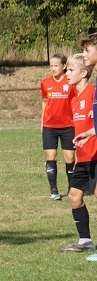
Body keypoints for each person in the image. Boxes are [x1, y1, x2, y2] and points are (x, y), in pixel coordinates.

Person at [60, 54, 97, 253]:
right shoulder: (74, 99)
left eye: (71, 70)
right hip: (83, 157)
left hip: (96, 155)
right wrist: (77, 157)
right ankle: (85, 241)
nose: (66, 73)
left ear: (83, 73)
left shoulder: (93, 93)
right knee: (74, 196)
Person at [41, 54, 75, 200]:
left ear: (64, 66)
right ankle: (54, 190)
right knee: (51, 156)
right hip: (50, 126)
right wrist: (42, 123)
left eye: (56, 65)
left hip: (68, 126)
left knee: (69, 158)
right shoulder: (45, 83)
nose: (53, 68)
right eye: (51, 66)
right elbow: (44, 102)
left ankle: (71, 189)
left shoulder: (71, 82)